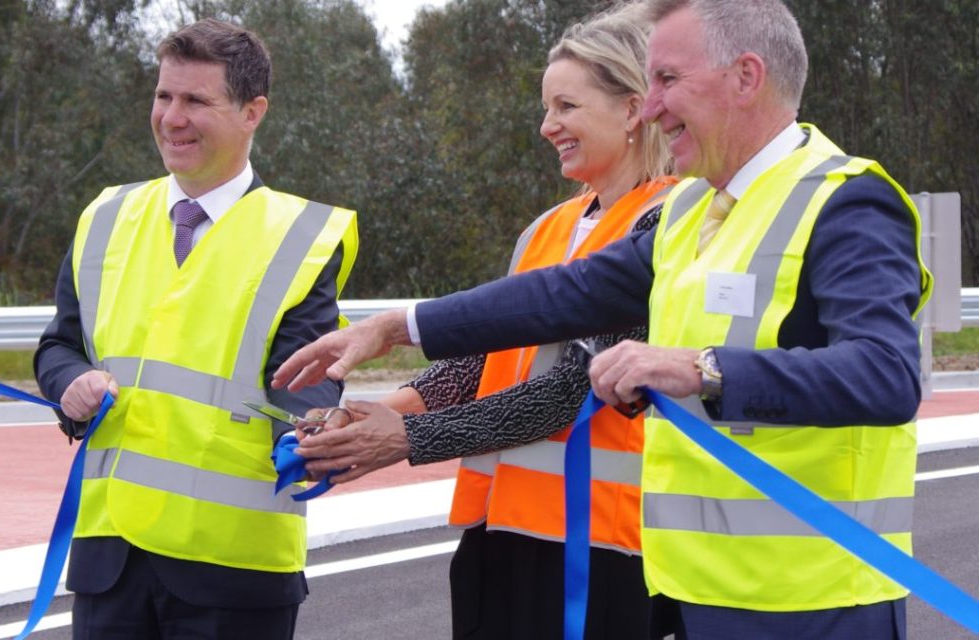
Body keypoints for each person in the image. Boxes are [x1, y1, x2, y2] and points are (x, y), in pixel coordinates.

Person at [273, 0, 933, 638]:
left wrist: (697, 368)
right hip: (697, 590)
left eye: (667, 80)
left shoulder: (848, 202)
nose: (650, 106)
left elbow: (887, 374)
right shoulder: (692, 214)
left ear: (746, 77)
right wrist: (400, 326)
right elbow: (560, 295)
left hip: (815, 600)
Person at [296, 4, 674, 638]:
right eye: (547, 107)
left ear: (632, 109)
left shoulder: (665, 224)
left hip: (598, 547)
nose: (548, 125)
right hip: (499, 532)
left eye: (567, 107)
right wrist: (370, 414)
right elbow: (482, 366)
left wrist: (408, 440)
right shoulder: (547, 229)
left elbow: (568, 391)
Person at [34, 18, 357, 639]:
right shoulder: (105, 215)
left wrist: (311, 432)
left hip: (233, 566)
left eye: (195, 101)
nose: (171, 117)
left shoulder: (304, 236)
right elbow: (59, 344)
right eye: (163, 96)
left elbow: (306, 378)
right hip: (109, 558)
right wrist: (68, 383)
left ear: (252, 112)